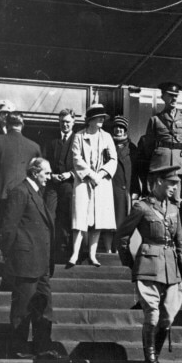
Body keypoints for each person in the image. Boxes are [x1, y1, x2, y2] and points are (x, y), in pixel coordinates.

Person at [117, 164, 182, 363]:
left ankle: (155, 358)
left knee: (167, 318)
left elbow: (180, 243)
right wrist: (133, 264)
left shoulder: (175, 209)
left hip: (172, 270)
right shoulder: (142, 207)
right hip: (148, 267)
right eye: (171, 183)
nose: (175, 188)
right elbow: (122, 237)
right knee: (153, 314)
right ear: (158, 182)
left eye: (176, 184)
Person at [0, 158, 58, 358]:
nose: (49, 177)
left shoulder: (37, 194)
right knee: (22, 308)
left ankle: (43, 346)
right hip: (25, 262)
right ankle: (19, 349)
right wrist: (11, 257)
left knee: (44, 306)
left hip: (41, 264)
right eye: (46, 173)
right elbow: (8, 228)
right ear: (35, 172)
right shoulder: (20, 192)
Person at [68, 104, 117, 268]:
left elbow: (113, 159)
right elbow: (76, 158)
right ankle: (75, 253)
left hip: (102, 182)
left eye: (103, 117)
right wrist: (90, 174)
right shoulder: (79, 136)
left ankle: (92, 254)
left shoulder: (107, 137)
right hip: (84, 181)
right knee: (80, 217)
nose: (102, 119)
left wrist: (100, 174)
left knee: (98, 220)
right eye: (99, 117)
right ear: (90, 120)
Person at [0, 112, 42, 232]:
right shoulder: (34, 147)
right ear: (22, 125)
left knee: (2, 231)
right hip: (26, 196)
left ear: (6, 125)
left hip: (1, 194)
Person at [143, 82, 182, 225]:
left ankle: (178, 238)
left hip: (179, 167)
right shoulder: (155, 120)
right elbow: (149, 146)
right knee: (157, 201)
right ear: (163, 97)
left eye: (176, 96)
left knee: (178, 203)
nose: (174, 99)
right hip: (160, 166)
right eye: (170, 96)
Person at [44, 109, 77, 263]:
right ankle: (50, 250)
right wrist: (51, 175)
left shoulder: (78, 140)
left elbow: (83, 163)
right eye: (62, 122)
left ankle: (65, 251)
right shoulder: (51, 141)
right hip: (53, 184)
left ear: (73, 122)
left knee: (67, 217)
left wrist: (70, 174)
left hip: (70, 185)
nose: (65, 125)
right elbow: (44, 162)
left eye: (68, 122)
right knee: (49, 214)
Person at [105, 115, 139, 253]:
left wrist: (136, 190)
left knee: (122, 222)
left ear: (125, 130)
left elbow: (136, 171)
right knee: (107, 221)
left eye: (122, 127)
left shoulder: (132, 148)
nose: (119, 130)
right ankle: (108, 250)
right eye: (116, 127)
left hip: (125, 190)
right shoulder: (107, 145)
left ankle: (119, 249)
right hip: (109, 188)